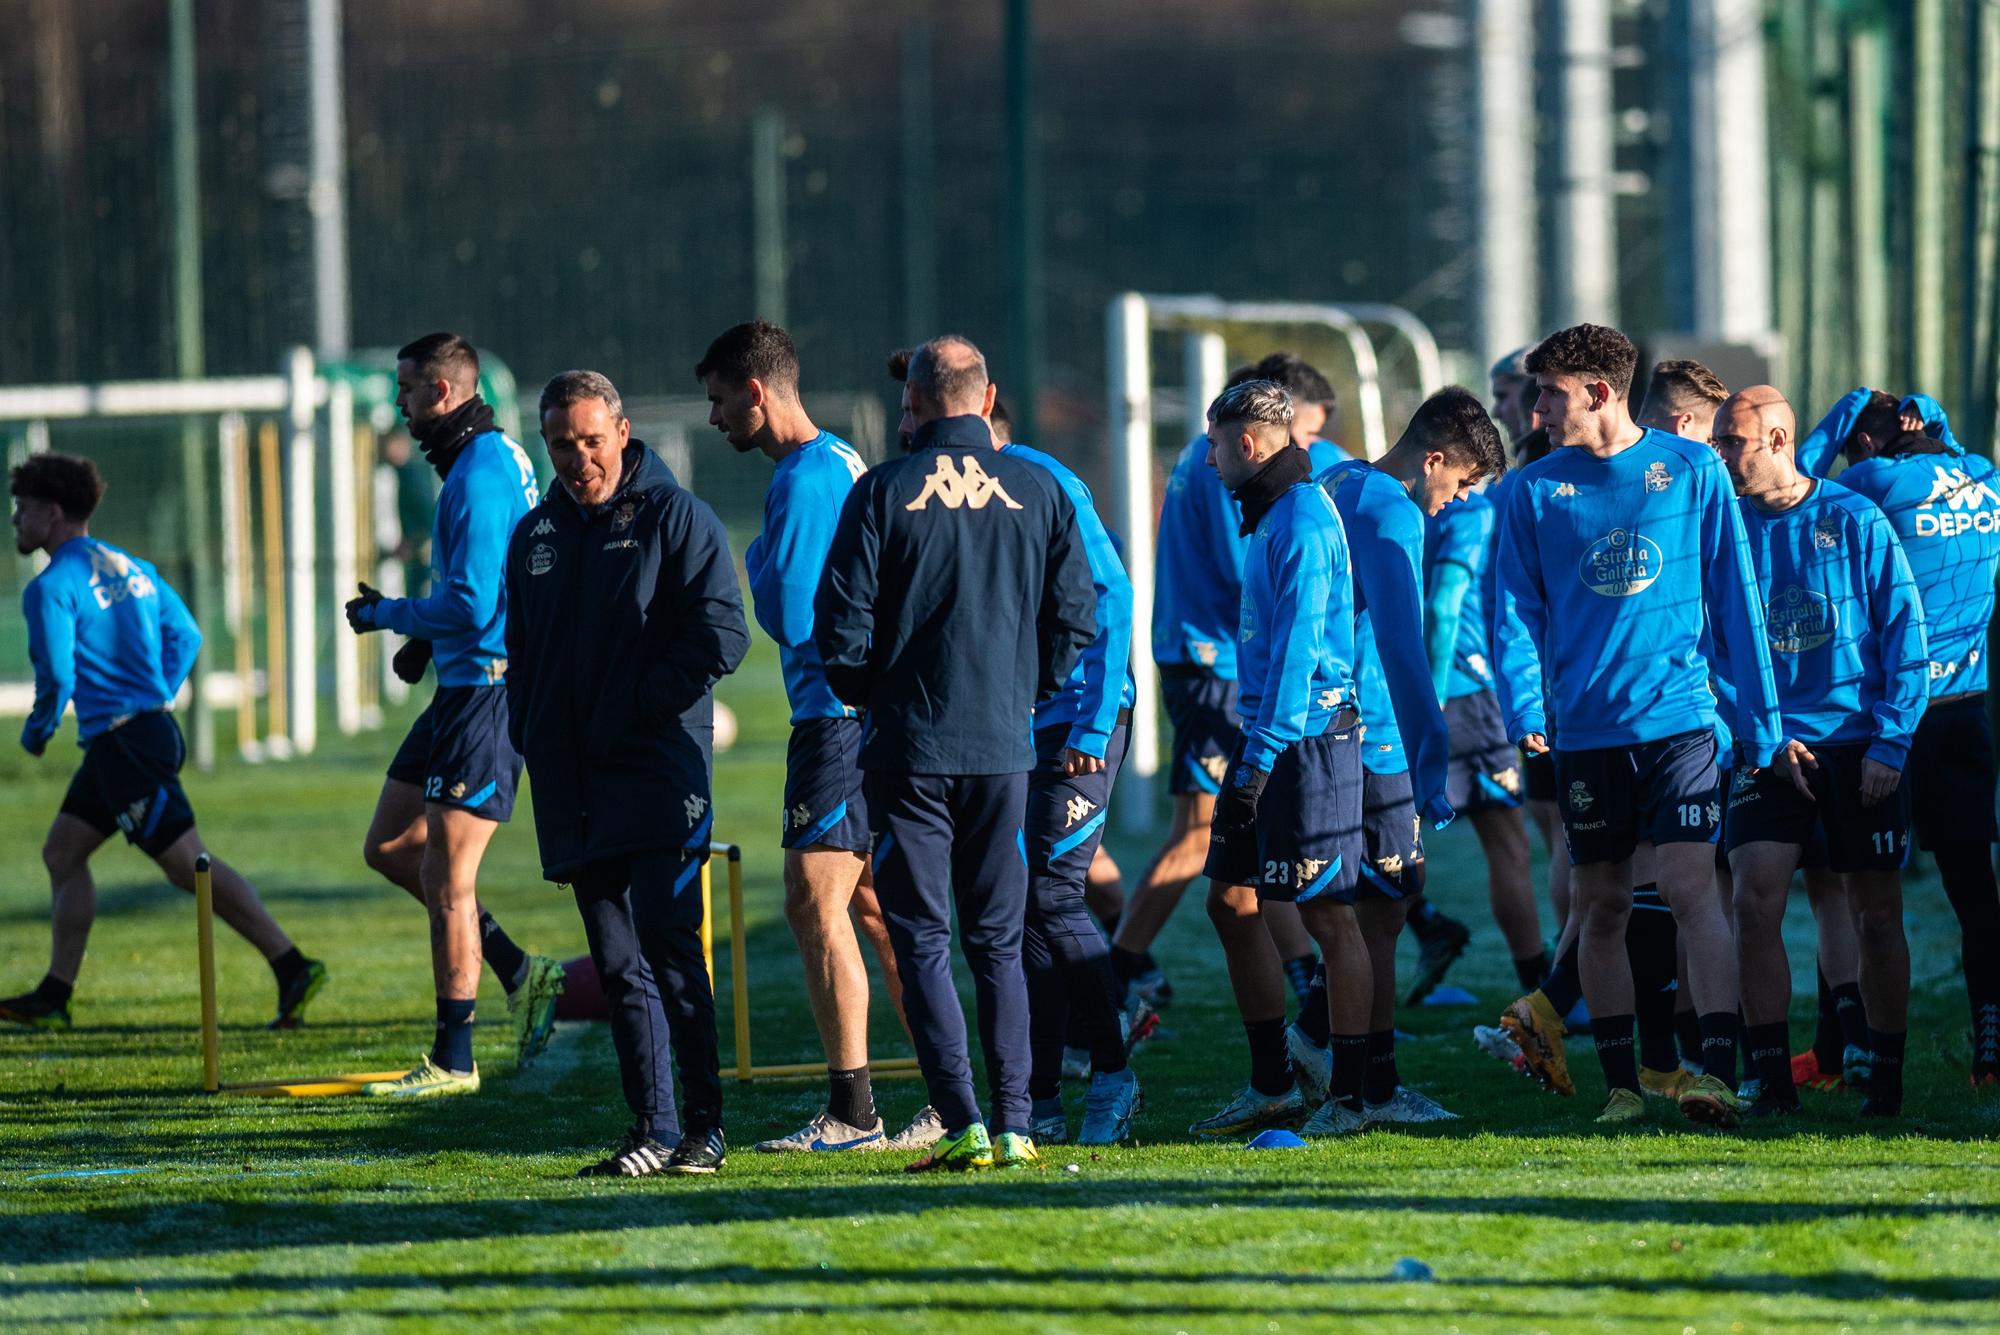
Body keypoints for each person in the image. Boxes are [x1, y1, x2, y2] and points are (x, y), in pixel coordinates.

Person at [815, 335, 1095, 1171]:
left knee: (923, 938)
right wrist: (1021, 694)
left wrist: (875, 695)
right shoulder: (1039, 487)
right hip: (1005, 749)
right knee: (999, 940)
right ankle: (1016, 1122)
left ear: (919, 406)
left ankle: (963, 1119)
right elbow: (1078, 618)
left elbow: (838, 631)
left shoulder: (882, 491)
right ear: (987, 396)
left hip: (909, 752)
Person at [1494, 323, 1783, 1128]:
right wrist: (1527, 709)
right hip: (1585, 731)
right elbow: (1512, 613)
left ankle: (1711, 1073)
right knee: (1604, 901)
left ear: (1598, 392)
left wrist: (1758, 725)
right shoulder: (1534, 490)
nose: (1538, 411)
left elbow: (1738, 601)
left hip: (1682, 722)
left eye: (1550, 394)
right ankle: (1623, 1085)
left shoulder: (1691, 469)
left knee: (1693, 887)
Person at [699, 321, 937, 1154]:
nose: (715, 418)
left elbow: (791, 616)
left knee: (812, 900)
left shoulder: (803, 481)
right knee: (873, 907)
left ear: (758, 392)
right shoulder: (836, 460)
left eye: (722, 400)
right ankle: (950, 1093)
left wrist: (757, 558)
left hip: (835, 718)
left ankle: (854, 1112)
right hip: (862, 714)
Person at [504, 370, 749, 1176]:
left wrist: (642, 706)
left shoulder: (675, 516)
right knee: (615, 962)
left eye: (589, 440)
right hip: (572, 780)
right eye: (560, 444)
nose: (577, 458)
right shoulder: (535, 535)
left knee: (671, 946)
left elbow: (721, 634)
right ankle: (651, 1128)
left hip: (657, 768)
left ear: (622, 429)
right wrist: (529, 732)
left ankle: (705, 1129)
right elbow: (527, 655)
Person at [2, 454, 325, 1029]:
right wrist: (157, 693)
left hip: (125, 745)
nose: (15, 520)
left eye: (22, 509)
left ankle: (291, 963)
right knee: (62, 853)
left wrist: (39, 729)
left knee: (187, 866)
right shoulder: (130, 565)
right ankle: (55, 995)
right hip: (135, 737)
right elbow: (187, 634)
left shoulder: (51, 585)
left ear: (52, 512)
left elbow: (55, 673)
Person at [346, 333, 563, 1098]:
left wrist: (390, 616)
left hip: (487, 694)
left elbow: (473, 601)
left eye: (406, 391)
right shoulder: (490, 459)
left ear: (443, 392)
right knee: (388, 845)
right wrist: (424, 645)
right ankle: (520, 969)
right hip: (462, 685)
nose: (399, 406)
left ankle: (454, 1059)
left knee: (447, 875)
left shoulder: (475, 474)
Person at [1279, 389, 1500, 1132]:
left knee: (1383, 911)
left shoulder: (1340, 482)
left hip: (1343, 727)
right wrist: (1431, 752)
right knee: (1363, 916)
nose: (1458, 501)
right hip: (1374, 737)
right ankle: (1348, 1084)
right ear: (1433, 458)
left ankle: (1372, 1084)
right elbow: (1405, 646)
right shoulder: (1390, 508)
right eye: (1462, 482)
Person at [1710, 387, 1926, 1119]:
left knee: (1875, 914)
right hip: (1772, 747)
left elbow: (1907, 638)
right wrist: (1764, 738)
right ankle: (1771, 1080)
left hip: (1862, 746)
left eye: (1731, 442)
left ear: (1776, 440)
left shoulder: (1854, 517)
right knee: (1753, 897)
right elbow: (1708, 654)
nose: (1721, 456)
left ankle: (1885, 1078)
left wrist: (1891, 742)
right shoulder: (1724, 530)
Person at [1797, 388, 2000, 1089]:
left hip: (1892, 714)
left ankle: (1836, 1052)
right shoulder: (1985, 477)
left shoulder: (1874, 480)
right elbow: (1943, 444)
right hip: (1967, 710)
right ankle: (1991, 1049)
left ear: (1868, 444)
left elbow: (1793, 481)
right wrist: (1934, 419)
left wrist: (1844, 410)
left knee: (1858, 887)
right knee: (1974, 888)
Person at [1189, 379, 1366, 1136]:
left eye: (1217, 445)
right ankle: (1273, 1083)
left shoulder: (1300, 518)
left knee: (1331, 918)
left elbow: (1298, 657)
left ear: (1249, 445)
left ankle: (1354, 1094)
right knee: (1229, 900)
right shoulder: (1266, 515)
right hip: (1265, 735)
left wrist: (1257, 762)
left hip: (1306, 743)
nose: (1210, 460)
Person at [1422, 446, 1543, 995]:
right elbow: (1446, 601)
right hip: (1464, 692)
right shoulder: (1474, 509)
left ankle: (1420, 935)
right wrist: (1434, 697)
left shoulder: (1411, 503)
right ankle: (1541, 990)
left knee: (1390, 834)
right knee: (1509, 846)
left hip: (1415, 684)